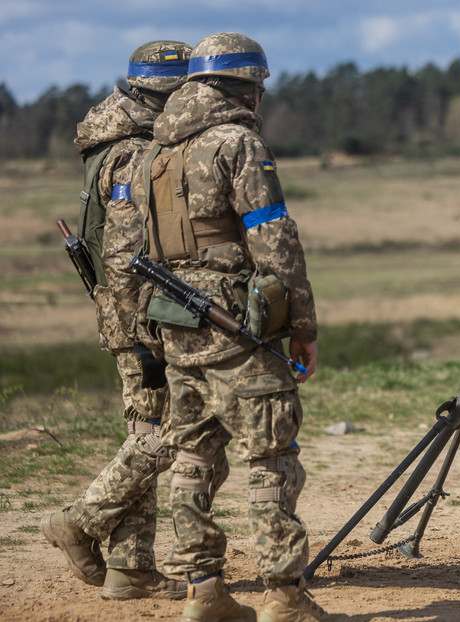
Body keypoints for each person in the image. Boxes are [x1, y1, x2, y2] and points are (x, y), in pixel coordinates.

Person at [131, 32, 329, 622]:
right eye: (257, 87)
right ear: (243, 86)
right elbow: (274, 237)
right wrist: (302, 323)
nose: (259, 100)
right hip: (239, 324)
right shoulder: (237, 144)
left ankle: (204, 591)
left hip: (177, 325)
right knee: (271, 454)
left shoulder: (154, 153)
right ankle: (284, 595)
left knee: (192, 456)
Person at [40, 40, 212, 601]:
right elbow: (124, 252)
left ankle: (131, 568)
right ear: (169, 94)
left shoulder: (109, 141)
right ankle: (79, 520)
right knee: (175, 432)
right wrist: (146, 332)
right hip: (142, 318)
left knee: (145, 430)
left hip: (126, 312)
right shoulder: (138, 152)